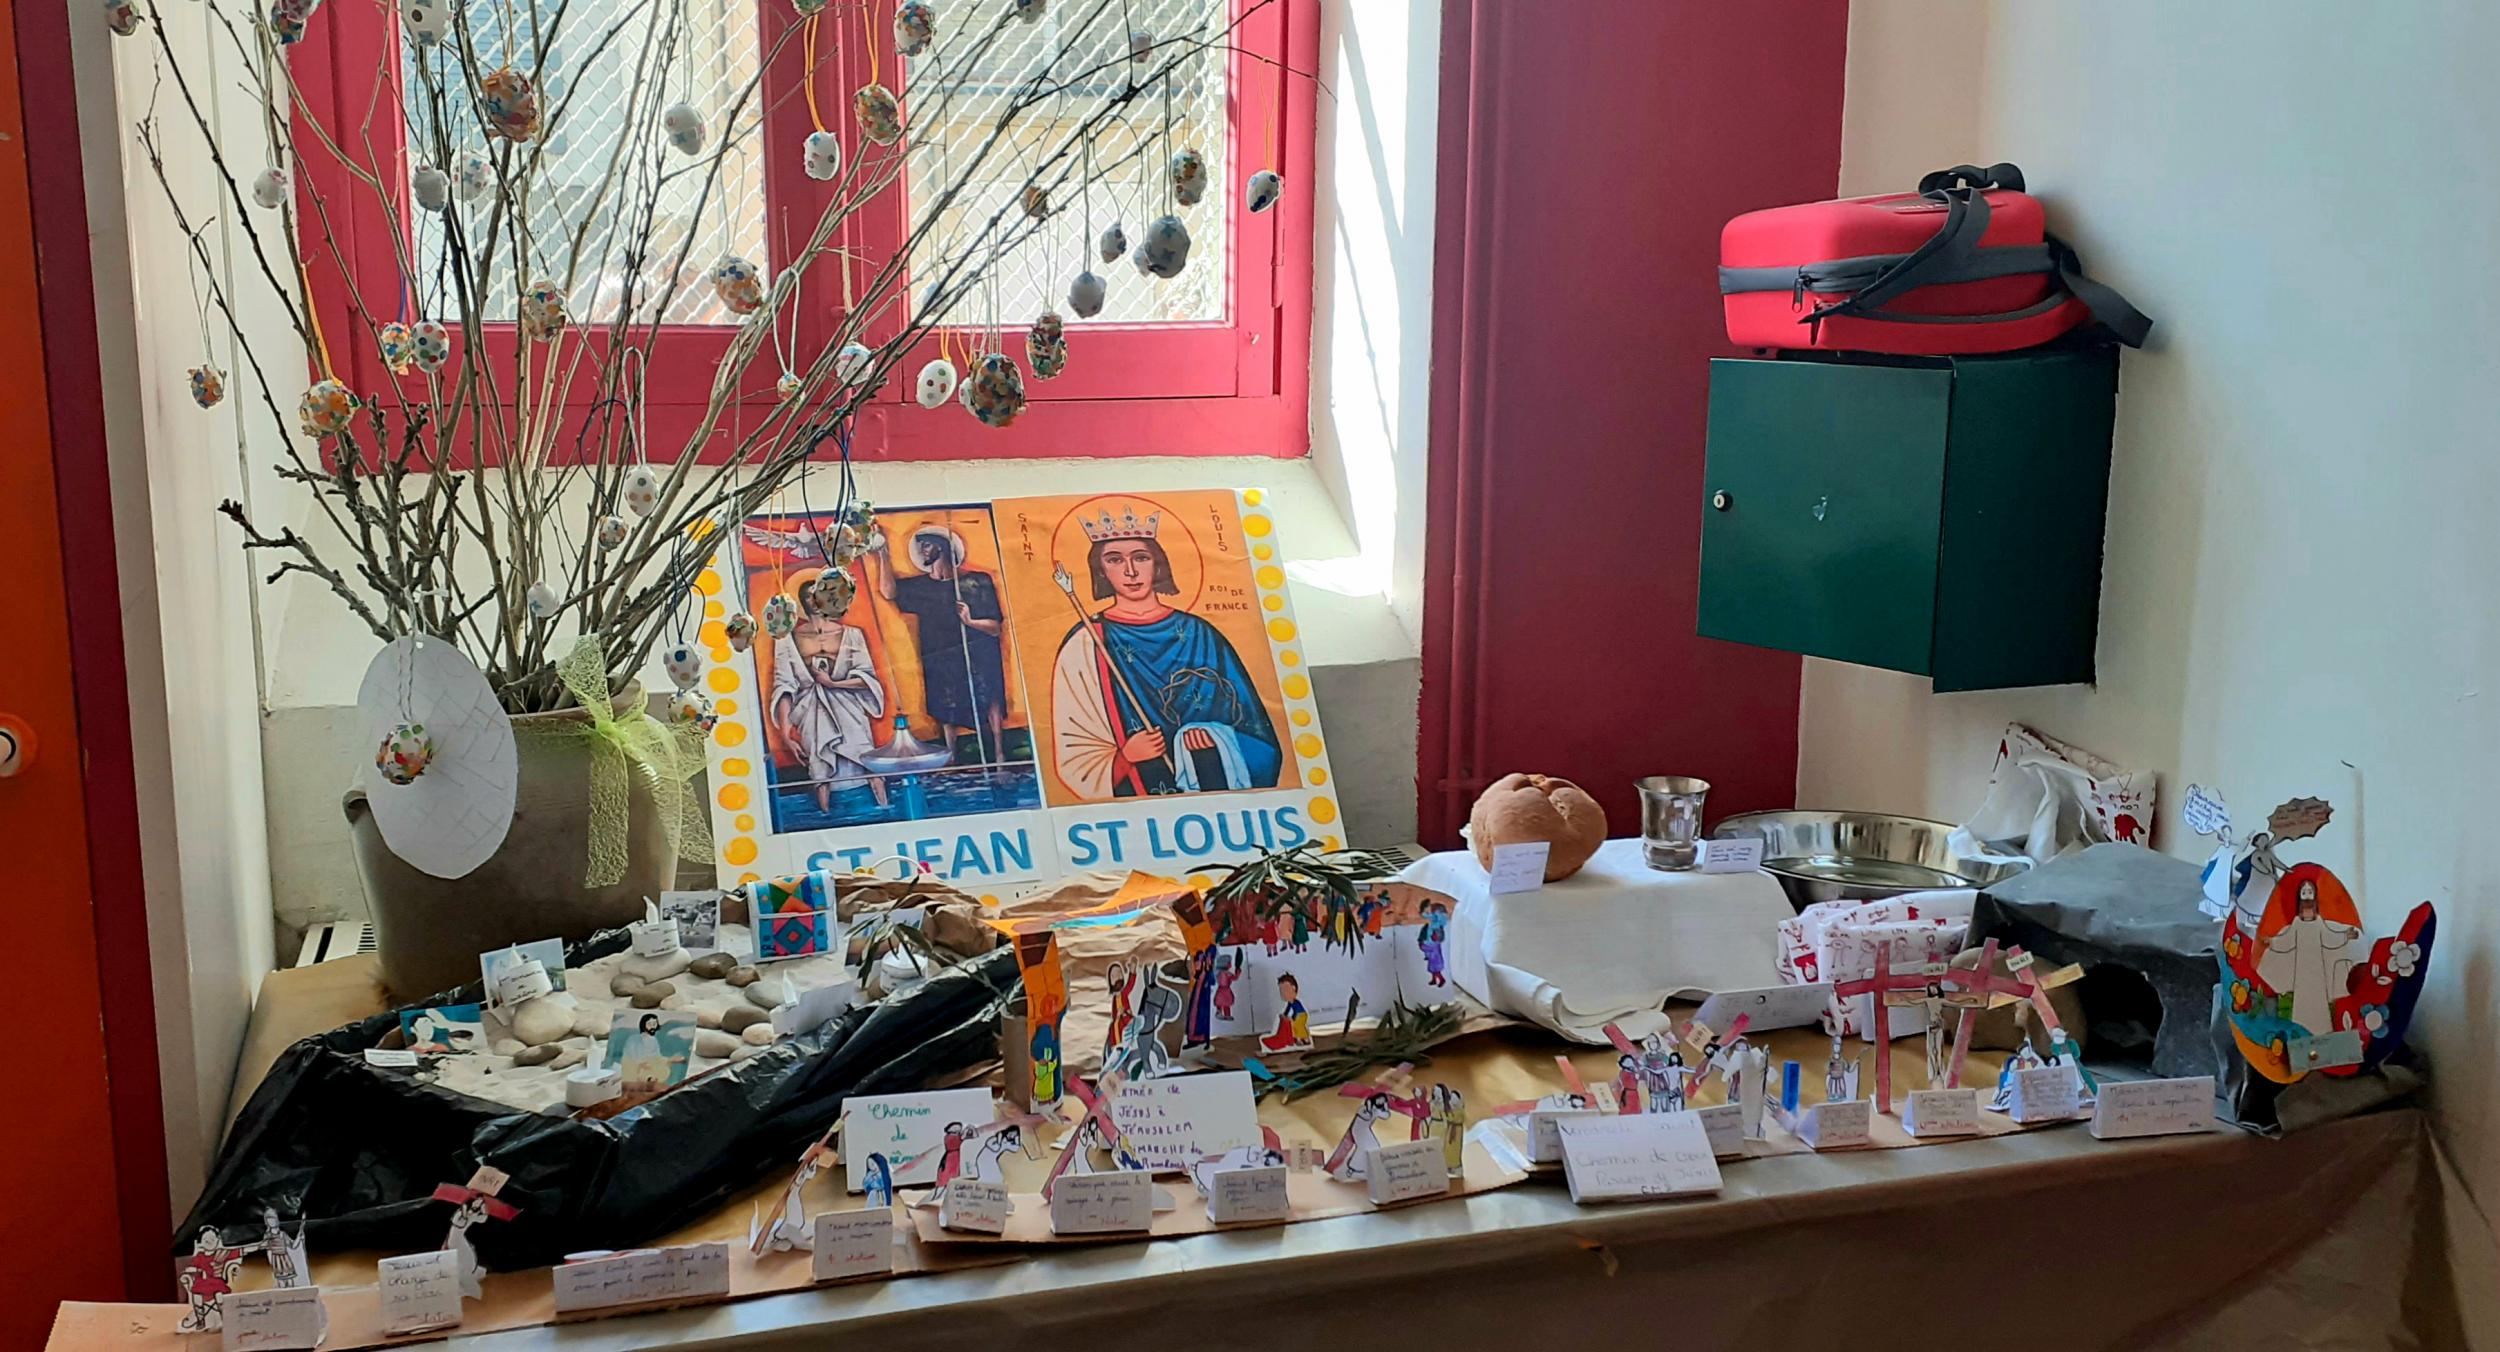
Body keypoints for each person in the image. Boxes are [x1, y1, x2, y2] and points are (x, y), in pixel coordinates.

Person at [1048, 510, 1282, 799]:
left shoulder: (1202, 634)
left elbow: (1256, 730)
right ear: (1100, 570)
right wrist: (1125, 757)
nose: (1130, 571)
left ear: (1158, 564)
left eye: (1141, 557)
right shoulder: (1087, 641)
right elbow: (1076, 751)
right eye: (1115, 560)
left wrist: (1216, 738)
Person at [870, 524, 1011, 762]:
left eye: (927, 545)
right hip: (940, 654)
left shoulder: (977, 581)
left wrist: (970, 621)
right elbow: (888, 592)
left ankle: (999, 755)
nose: (922, 551)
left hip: (977, 653)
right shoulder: (921, 587)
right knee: (945, 702)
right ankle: (951, 756)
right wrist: (882, 552)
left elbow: (995, 628)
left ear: (942, 546)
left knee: (990, 698)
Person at [770, 572, 887, 817]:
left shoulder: (852, 634)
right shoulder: (787, 639)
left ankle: (886, 808)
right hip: (811, 709)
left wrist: (834, 683)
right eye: (807, 596)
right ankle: (825, 817)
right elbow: (784, 686)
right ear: (801, 602)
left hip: (849, 707)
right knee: (819, 767)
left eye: (818, 593)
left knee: (866, 758)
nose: (813, 599)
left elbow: (867, 678)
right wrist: (786, 734)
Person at [2259, 878, 2363, 1036]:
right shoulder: (2296, 924)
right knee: (2303, 1000)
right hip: (2302, 970)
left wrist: (2345, 936)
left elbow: (2329, 938)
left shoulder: (2319, 923)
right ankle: (2301, 1030)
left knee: (2318, 1000)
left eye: (2310, 892)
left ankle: (2322, 1030)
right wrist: (2272, 942)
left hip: (2317, 969)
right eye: (2304, 892)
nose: (2307, 895)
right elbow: (2287, 941)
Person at [618, 1013, 672, 1093]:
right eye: (649, 1024)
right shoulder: (634, 1039)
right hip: (633, 1064)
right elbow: (631, 1054)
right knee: (636, 1072)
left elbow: (657, 1055)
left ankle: (650, 1078)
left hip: (649, 1064)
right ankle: (647, 1079)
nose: (652, 1027)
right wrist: (641, 1063)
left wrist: (667, 1060)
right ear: (643, 1025)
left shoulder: (654, 1040)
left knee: (664, 1068)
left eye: (654, 1024)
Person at [1260, 973, 1310, 1051]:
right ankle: (1298, 1039)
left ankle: (1304, 1039)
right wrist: (1285, 1015)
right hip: (1297, 1015)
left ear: (1293, 988)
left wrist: (1293, 1017)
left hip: (1301, 1015)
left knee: (1298, 1026)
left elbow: (1298, 1011)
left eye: (1286, 990)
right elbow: (1287, 1009)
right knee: (1294, 1027)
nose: (1283, 993)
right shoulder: (1290, 1003)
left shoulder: (1296, 1002)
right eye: (1281, 990)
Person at [1418, 901, 1451, 988]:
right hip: (1431, 941)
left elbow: (1439, 922)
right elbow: (1427, 916)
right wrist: (1424, 912)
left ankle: (1441, 979)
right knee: (1432, 963)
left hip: (1433, 943)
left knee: (1434, 963)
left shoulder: (1439, 920)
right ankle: (1434, 979)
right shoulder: (1434, 919)